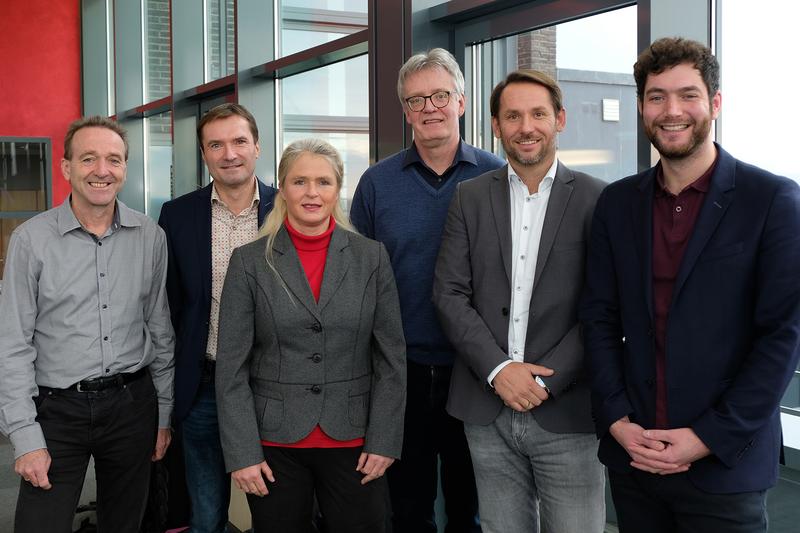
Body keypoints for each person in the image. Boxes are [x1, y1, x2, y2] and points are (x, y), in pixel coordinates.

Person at [580, 37, 800, 532]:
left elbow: (782, 336)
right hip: (634, 461)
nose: (671, 110)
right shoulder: (616, 205)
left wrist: (705, 437)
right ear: (641, 107)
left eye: (688, 95)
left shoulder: (772, 200)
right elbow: (598, 317)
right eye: (657, 97)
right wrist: (616, 421)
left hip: (725, 465)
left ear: (715, 103)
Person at [433, 69, 606, 533]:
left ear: (560, 120)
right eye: (513, 115)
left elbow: (604, 306)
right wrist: (498, 370)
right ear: (495, 125)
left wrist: (546, 381)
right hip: (485, 408)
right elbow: (449, 293)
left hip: (568, 412)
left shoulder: (598, 199)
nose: (525, 126)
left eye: (538, 114)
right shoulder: (468, 197)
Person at [214, 138, 406, 533]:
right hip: (274, 446)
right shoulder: (249, 262)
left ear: (338, 189)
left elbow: (391, 359)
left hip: (355, 442)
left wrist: (384, 440)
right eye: (300, 182)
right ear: (282, 188)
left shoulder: (371, 258)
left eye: (323, 182)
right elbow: (232, 368)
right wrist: (242, 453)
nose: (312, 193)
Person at [350, 47, 503, 533]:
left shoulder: (497, 176)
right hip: (401, 369)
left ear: (461, 101)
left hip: (477, 369)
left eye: (440, 95)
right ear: (405, 111)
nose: (429, 108)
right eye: (417, 100)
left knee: (470, 506)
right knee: (407, 506)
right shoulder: (376, 183)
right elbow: (358, 280)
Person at [0, 116, 175, 532]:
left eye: (113, 159)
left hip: (132, 406)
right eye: (89, 159)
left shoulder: (150, 236)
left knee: (125, 524)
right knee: (39, 525)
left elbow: (160, 330)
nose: (102, 170)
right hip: (57, 410)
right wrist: (24, 437)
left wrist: (163, 416)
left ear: (125, 168)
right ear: (66, 168)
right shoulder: (31, 240)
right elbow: (12, 344)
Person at [158, 102, 276, 532]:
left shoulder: (288, 209)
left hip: (274, 386)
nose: (229, 153)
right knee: (206, 515)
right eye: (216, 144)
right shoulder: (177, 215)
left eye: (239, 141)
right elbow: (169, 308)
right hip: (203, 385)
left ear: (257, 146)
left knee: (276, 509)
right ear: (204, 154)